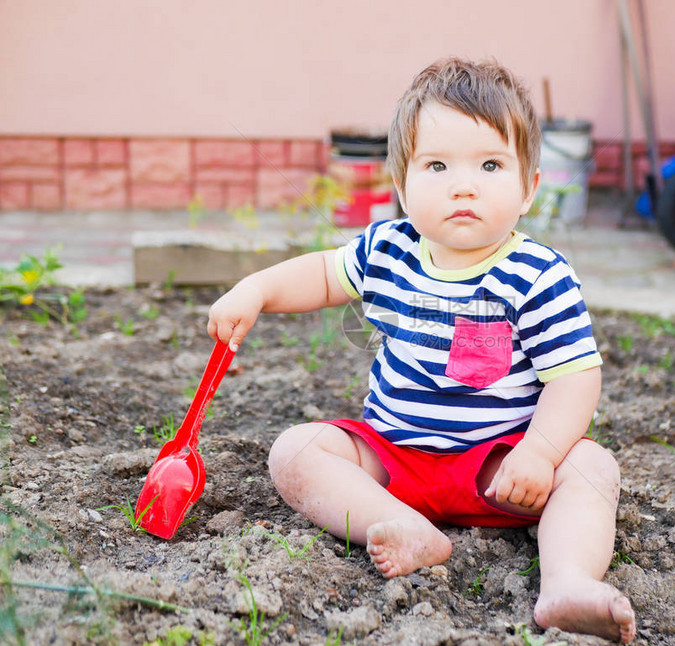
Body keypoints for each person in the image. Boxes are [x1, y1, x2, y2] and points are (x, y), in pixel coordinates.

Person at [207, 57, 636, 643]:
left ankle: (567, 581)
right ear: (402, 187)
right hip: (393, 462)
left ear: (530, 187)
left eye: (490, 164)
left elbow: (575, 379)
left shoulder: (537, 274)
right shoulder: (389, 249)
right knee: (296, 451)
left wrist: (538, 453)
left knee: (591, 468)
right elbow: (323, 275)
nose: (464, 185)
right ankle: (403, 527)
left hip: (499, 471)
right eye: (436, 165)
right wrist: (257, 290)